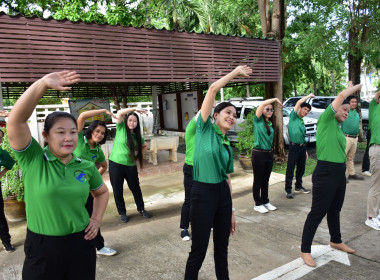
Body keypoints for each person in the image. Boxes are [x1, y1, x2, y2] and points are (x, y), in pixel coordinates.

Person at [7, 71, 109, 279]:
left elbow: (102, 193)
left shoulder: (86, 166)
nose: (68, 138)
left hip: (80, 243)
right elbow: (16, 121)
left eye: (72, 132)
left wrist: (96, 220)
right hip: (42, 246)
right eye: (60, 132)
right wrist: (43, 84)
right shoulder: (33, 159)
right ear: (46, 135)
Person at [184, 65, 250, 280]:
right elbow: (212, 89)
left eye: (235, 114)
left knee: (222, 250)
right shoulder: (203, 129)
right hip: (202, 194)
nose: (232, 116)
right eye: (228, 112)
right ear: (215, 115)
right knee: (199, 250)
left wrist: (231, 210)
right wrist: (236, 71)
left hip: (222, 195)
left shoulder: (226, 144)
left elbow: (227, 178)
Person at [300, 84, 362, 267]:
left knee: (335, 210)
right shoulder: (326, 119)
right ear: (334, 109)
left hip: (338, 172)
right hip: (325, 172)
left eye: (348, 111)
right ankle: (305, 250)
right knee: (317, 213)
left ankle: (336, 240)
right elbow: (341, 95)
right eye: (344, 109)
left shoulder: (338, 128)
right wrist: (353, 87)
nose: (346, 113)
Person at [75, 109, 117, 256]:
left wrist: (93, 181)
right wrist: (104, 111)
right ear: (91, 130)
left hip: (85, 189)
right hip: (67, 186)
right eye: (97, 131)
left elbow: (104, 166)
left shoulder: (98, 151)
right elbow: (81, 116)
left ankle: (99, 246)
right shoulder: (79, 139)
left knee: (91, 218)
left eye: (103, 133)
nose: (100, 135)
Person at [108, 107, 151, 223]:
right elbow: (120, 113)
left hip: (130, 166)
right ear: (126, 122)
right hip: (115, 165)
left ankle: (141, 209)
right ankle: (122, 213)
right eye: (130, 120)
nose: (132, 123)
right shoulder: (121, 128)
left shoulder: (137, 136)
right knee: (118, 190)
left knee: (135, 188)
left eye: (135, 121)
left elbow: (145, 146)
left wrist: (137, 157)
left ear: (137, 123)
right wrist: (135, 109)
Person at [252, 97, 284, 213]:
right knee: (258, 180)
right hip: (258, 153)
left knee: (266, 180)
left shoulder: (269, 123)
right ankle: (257, 203)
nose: (270, 111)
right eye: (267, 109)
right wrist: (275, 99)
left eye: (271, 109)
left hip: (268, 154)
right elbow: (261, 105)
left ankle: (265, 201)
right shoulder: (258, 120)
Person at [285, 94, 314, 199]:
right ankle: (288, 190)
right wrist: (309, 96)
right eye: (305, 109)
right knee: (291, 168)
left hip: (302, 148)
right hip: (294, 147)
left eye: (308, 111)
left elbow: (302, 137)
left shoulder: (302, 121)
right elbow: (298, 103)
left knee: (301, 168)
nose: (306, 112)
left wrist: (305, 150)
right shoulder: (293, 117)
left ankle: (298, 186)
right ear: (300, 109)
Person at [0, 116, 16, 253]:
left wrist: (1, 173)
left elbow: (10, 164)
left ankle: (6, 242)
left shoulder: (2, 153)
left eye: (0, 138)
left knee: (0, 216)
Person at [365, 90, 380, 230]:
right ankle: (371, 217)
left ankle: (377, 212)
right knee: (376, 184)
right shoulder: (374, 107)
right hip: (377, 149)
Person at [179, 117, 196, 241]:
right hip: (191, 167)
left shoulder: (209, 131)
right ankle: (184, 228)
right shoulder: (191, 128)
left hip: (206, 169)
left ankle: (206, 222)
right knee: (189, 199)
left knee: (205, 198)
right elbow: (201, 115)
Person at [341, 91, 364, 181]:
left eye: (355, 102)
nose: (354, 103)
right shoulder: (345, 112)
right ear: (348, 103)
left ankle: (351, 174)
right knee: (342, 157)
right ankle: (341, 176)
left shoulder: (356, 113)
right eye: (352, 102)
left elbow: (357, 125)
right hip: (346, 138)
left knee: (350, 157)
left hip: (354, 138)